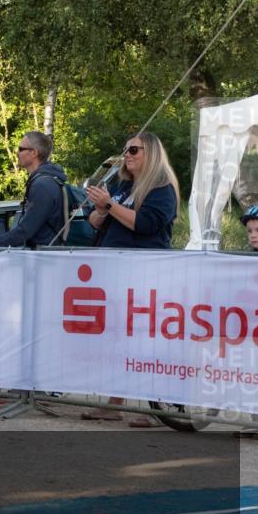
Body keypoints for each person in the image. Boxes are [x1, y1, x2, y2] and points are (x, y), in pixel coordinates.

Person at [82, 132, 179, 425]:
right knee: (117, 338)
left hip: (144, 272)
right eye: (126, 150)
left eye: (134, 150)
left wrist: (110, 206)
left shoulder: (161, 188)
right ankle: (114, 402)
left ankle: (151, 408)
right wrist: (101, 209)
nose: (128, 154)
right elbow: (94, 222)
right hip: (116, 271)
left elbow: (147, 224)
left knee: (142, 339)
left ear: (150, 153)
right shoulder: (124, 185)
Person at [0, 131, 66, 248]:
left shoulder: (42, 185)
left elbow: (25, 231)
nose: (17, 153)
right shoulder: (46, 180)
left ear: (34, 153)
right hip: (44, 255)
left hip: (44, 259)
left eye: (21, 149)